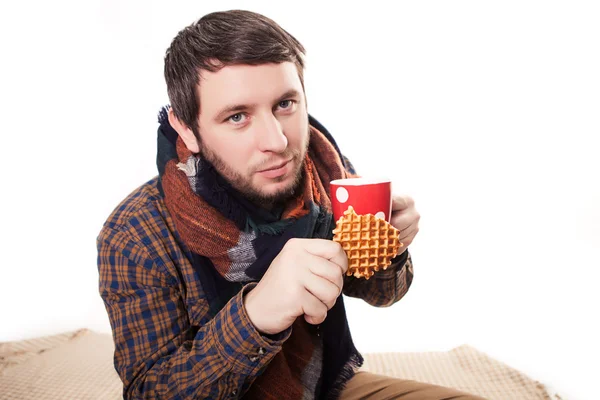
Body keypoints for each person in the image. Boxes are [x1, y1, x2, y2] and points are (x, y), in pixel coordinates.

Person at [97, 9, 484, 400]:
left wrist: (391, 248)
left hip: (319, 386)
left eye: (285, 104)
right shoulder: (135, 233)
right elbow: (149, 392)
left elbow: (382, 293)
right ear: (186, 129)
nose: (278, 142)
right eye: (237, 116)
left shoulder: (327, 173)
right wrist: (255, 316)